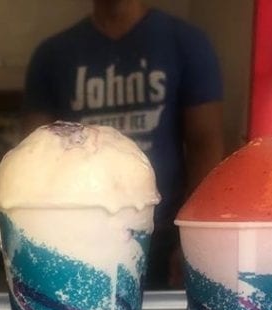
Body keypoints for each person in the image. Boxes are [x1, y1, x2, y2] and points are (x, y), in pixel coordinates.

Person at [23, 0, 225, 288]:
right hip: (76, 238)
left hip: (162, 236)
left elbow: (205, 142)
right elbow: (33, 157)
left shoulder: (187, 43)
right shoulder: (52, 55)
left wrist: (196, 240)